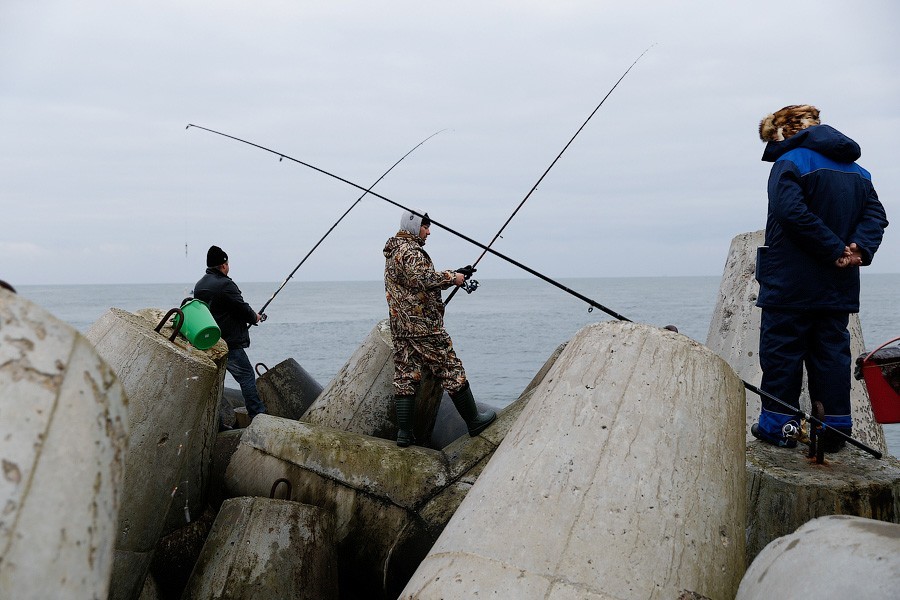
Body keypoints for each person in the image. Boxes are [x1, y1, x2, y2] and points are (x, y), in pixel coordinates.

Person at [752, 105, 888, 451]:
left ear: (785, 132)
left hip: (790, 282)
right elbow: (876, 214)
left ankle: (778, 424)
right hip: (837, 284)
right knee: (832, 354)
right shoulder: (859, 171)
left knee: (781, 351)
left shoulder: (791, 161)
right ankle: (835, 429)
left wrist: (833, 248)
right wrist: (857, 248)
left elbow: (790, 212)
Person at [383, 209, 496, 447]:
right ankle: (474, 421)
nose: (428, 230)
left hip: (402, 327)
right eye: (425, 226)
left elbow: (416, 280)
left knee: (405, 375)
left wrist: (455, 273)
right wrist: (451, 278)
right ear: (414, 227)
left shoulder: (394, 251)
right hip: (423, 327)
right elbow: (423, 279)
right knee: (450, 368)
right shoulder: (410, 251)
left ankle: (405, 434)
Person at [193, 245, 267, 422]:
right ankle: (257, 415)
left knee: (215, 383)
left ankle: (215, 420)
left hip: (208, 340)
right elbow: (241, 307)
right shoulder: (226, 284)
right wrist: (255, 317)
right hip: (228, 343)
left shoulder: (200, 285)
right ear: (224, 264)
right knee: (247, 376)